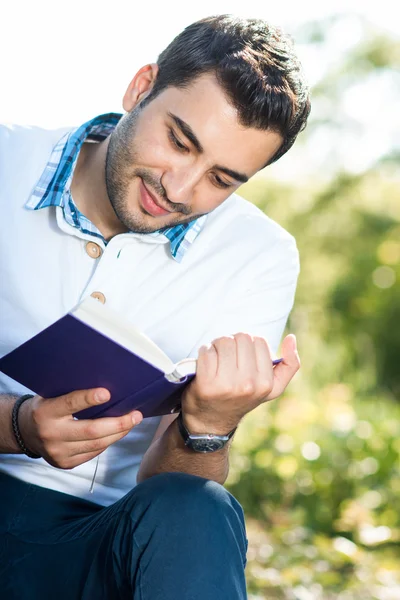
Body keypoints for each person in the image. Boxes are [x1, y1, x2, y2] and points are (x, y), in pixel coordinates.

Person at [0, 14, 310, 600]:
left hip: (98, 541)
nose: (181, 188)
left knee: (197, 506)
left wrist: (209, 428)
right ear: (141, 87)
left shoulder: (260, 256)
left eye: (221, 178)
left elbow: (169, 496)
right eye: (179, 141)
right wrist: (17, 426)